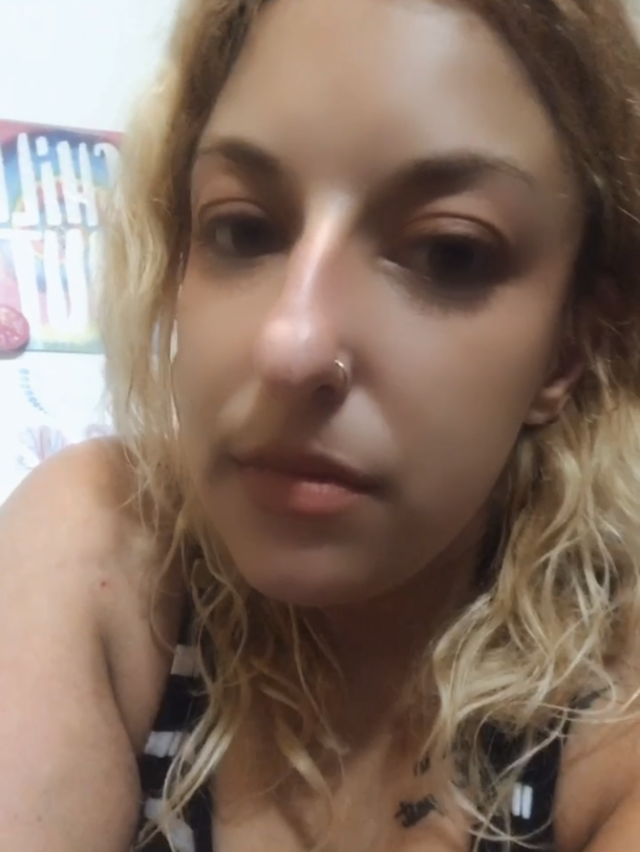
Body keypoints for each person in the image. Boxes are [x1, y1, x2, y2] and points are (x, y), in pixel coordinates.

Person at [3, 0, 640, 849]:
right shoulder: (110, 543)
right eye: (244, 230)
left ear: (570, 348)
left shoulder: (613, 709)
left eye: (448, 252)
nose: (291, 343)